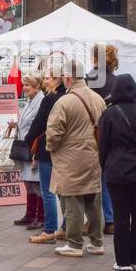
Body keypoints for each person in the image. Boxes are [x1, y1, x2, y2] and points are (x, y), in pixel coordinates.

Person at [45, 58, 107, 257]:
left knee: (72, 201)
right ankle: (97, 242)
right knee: (93, 200)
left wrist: (51, 148)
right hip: (93, 155)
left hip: (69, 158)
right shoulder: (98, 98)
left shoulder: (64, 101)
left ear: (68, 77)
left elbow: (53, 133)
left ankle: (74, 243)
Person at [98, 73, 136, 271]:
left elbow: (103, 145)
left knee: (120, 215)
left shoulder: (110, 113)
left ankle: (123, 260)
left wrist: (105, 166)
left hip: (116, 169)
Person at [26, 75, 64, 243]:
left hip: (46, 148)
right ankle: (66, 227)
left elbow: (39, 124)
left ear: (57, 80)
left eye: (49, 78)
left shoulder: (49, 100)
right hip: (64, 150)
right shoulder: (67, 97)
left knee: (47, 191)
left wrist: (27, 141)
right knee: (64, 191)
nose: (45, 81)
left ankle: (49, 229)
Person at [88, 45, 121, 234]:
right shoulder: (116, 81)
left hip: (93, 133)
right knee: (107, 178)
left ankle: (97, 219)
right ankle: (110, 218)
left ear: (95, 59)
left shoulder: (91, 79)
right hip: (113, 132)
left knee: (93, 178)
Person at [10, 73, 46, 229]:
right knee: (28, 181)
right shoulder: (30, 101)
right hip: (25, 145)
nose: (24, 88)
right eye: (24, 85)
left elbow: (38, 125)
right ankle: (30, 213)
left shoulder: (41, 101)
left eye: (27, 85)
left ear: (36, 86)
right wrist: (16, 124)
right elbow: (26, 121)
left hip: (33, 146)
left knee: (36, 182)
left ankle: (40, 216)